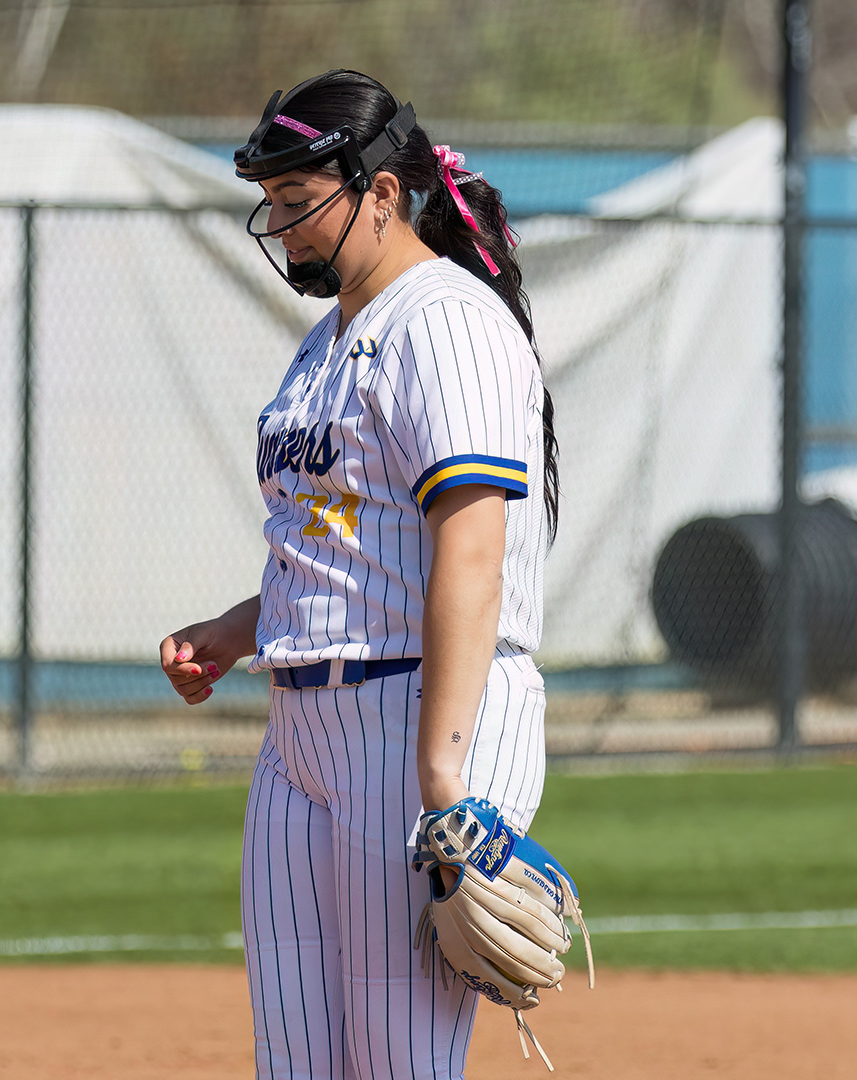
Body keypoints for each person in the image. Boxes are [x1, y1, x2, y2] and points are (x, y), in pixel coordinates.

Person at [159, 70, 559, 1079]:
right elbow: (344, 544)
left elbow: (472, 548)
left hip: (413, 715)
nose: (282, 227)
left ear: (382, 194)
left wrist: (444, 778)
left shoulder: (445, 323)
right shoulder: (326, 343)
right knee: (294, 1056)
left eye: (300, 200)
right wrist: (236, 630)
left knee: (397, 1061)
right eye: (273, 202)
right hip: (303, 729)